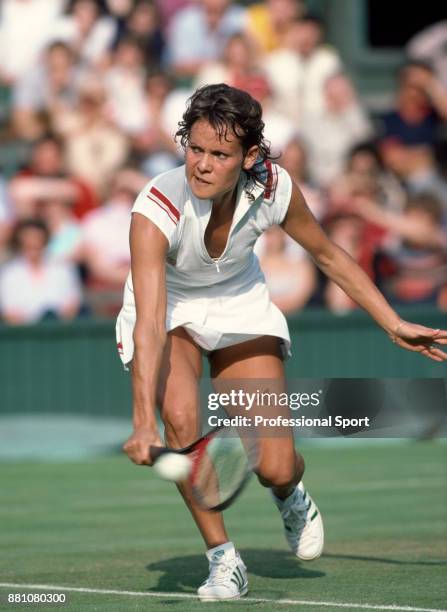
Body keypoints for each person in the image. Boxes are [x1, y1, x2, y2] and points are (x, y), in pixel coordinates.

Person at [118, 84, 447, 600]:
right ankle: (223, 560)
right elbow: (151, 316)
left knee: (274, 465)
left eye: (219, 154)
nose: (202, 164)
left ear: (249, 156)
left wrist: (392, 322)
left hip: (240, 301)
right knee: (180, 417)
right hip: (171, 308)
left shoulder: (274, 187)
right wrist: (143, 421)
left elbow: (329, 255)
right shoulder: (156, 206)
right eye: (195, 149)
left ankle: (291, 493)